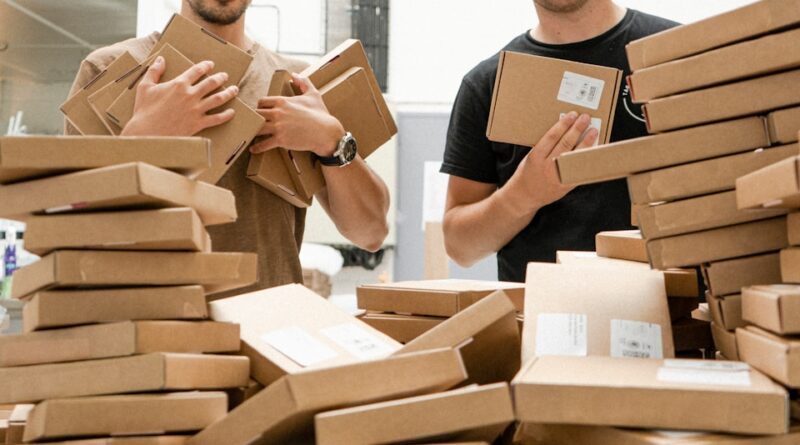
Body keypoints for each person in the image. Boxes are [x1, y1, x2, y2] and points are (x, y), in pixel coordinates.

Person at [64, 0, 390, 296]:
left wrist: (332, 142)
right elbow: (73, 234)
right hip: (155, 331)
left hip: (268, 335)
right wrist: (143, 140)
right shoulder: (110, 69)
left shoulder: (299, 85)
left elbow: (371, 232)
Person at [441, 0, 678, 282]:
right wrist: (523, 195)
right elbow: (460, 246)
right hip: (542, 317)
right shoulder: (487, 85)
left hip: (670, 313)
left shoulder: (676, 55)